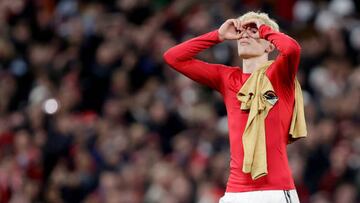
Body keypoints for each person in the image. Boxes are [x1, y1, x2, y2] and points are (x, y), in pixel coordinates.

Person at [163, 11, 307, 203]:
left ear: (270, 44)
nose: (246, 34)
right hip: (235, 193)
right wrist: (218, 36)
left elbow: (292, 49)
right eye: (243, 30)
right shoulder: (228, 78)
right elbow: (173, 57)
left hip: (275, 192)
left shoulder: (279, 75)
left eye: (252, 30)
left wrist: (263, 28)